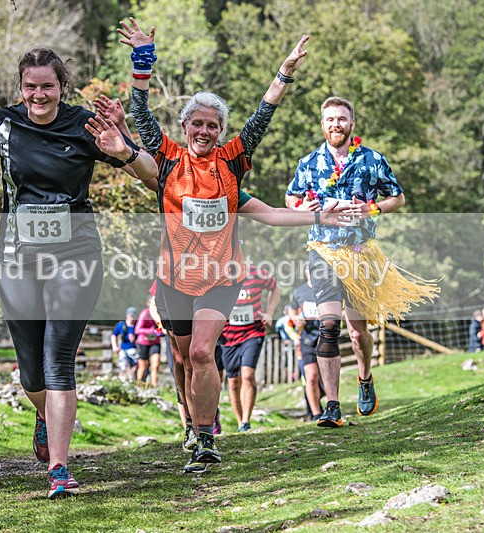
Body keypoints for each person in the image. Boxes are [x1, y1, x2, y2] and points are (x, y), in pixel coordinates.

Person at [0, 48, 158, 499]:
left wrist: (124, 150)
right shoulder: (3, 125)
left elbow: (154, 175)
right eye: (31, 86)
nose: (39, 94)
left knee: (57, 360)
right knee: (31, 374)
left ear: (61, 87)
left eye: (48, 86)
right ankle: (44, 416)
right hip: (17, 260)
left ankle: (61, 469)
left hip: (76, 256)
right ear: (20, 87)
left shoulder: (86, 124)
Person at [114, 18, 355, 473]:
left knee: (204, 352)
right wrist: (142, 62)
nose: (204, 131)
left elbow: (264, 130)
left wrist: (283, 74)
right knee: (184, 359)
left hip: (221, 278)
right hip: (173, 280)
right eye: (198, 123)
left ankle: (206, 437)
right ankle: (190, 424)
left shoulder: (231, 163)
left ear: (221, 131)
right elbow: (140, 115)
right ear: (185, 126)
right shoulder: (167, 158)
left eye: (213, 125)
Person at [286, 96, 439, 428]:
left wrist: (372, 209)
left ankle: (365, 377)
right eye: (329, 119)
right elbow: (291, 198)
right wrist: (308, 211)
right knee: (328, 325)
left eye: (341, 119)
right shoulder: (309, 162)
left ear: (351, 124)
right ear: (322, 124)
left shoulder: (372, 160)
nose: (335, 124)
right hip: (322, 251)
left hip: (361, 254)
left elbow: (397, 197)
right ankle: (332, 406)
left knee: (357, 333)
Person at [220, 265, 279, 432]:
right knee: (233, 382)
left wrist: (269, 312)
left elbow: (275, 288)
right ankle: (240, 422)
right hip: (228, 336)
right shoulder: (217, 275)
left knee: (248, 374)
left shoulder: (255, 272)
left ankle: (246, 421)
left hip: (253, 332)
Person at [289, 265, 324, 421]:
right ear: (305, 273)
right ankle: (316, 414)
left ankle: (330, 408)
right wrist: (296, 319)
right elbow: (291, 310)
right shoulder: (299, 292)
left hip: (326, 337)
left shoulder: (328, 289)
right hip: (307, 338)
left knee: (325, 378)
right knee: (310, 377)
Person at [135, 298, 162, 387]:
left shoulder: (159, 315)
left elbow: (160, 329)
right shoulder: (144, 314)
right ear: (148, 304)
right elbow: (137, 330)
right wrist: (150, 331)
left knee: (155, 365)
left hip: (155, 342)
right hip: (143, 342)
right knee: (143, 367)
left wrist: (157, 332)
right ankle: (139, 385)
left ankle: (154, 387)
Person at [111, 307, 139, 381]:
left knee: (136, 364)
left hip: (134, 350)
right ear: (127, 315)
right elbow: (114, 335)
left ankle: (132, 378)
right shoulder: (121, 325)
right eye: (131, 316)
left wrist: (134, 339)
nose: (132, 318)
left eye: (134, 316)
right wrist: (114, 346)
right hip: (123, 349)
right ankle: (127, 378)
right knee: (123, 364)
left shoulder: (137, 325)